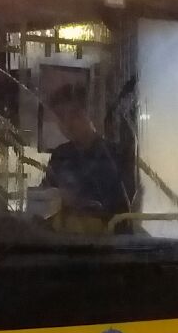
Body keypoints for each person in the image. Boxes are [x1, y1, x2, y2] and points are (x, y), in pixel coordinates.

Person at [39, 84, 136, 231]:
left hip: (105, 241)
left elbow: (122, 208)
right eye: (61, 117)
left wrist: (76, 200)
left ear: (91, 115)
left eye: (75, 115)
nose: (68, 123)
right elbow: (46, 195)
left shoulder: (115, 155)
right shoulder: (60, 155)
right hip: (61, 239)